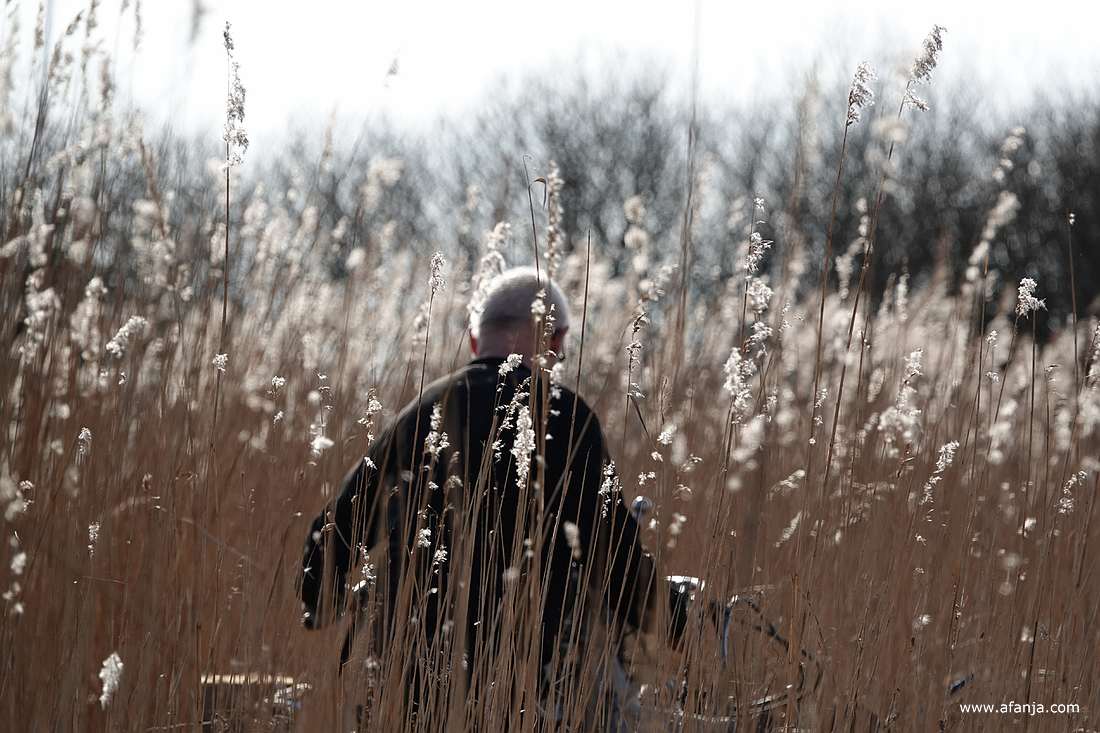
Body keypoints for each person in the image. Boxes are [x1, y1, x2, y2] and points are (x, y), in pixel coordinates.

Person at [298, 265, 654, 727]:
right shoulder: (566, 416)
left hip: (399, 675)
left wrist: (322, 606)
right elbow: (615, 559)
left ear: (474, 341)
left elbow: (332, 532)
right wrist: (677, 621)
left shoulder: (420, 412)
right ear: (555, 339)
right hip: (516, 682)